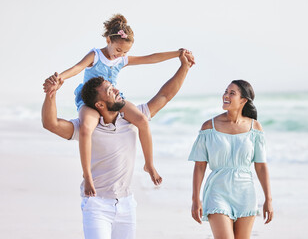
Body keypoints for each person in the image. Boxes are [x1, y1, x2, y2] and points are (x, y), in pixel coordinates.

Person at [42, 50, 193, 239]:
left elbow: (164, 96)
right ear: (100, 105)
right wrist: (51, 95)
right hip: (96, 205)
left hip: (126, 203)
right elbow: (51, 124)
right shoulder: (86, 127)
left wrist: (184, 67)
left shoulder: (132, 119)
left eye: (111, 86)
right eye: (109, 90)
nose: (115, 89)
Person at [44, 14, 195, 196]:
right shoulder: (96, 55)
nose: (120, 55)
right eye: (118, 50)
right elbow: (77, 68)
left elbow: (151, 58)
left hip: (113, 97)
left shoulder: (122, 59)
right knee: (85, 129)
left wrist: (178, 53)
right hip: (89, 100)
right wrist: (59, 78)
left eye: (124, 52)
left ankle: (149, 164)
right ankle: (87, 176)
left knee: (141, 119)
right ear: (108, 40)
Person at [189, 80, 273, 239]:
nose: (225, 96)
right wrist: (195, 199)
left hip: (245, 193)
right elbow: (199, 166)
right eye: (225, 92)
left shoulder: (255, 128)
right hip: (217, 192)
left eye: (232, 93)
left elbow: (261, 167)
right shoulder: (209, 127)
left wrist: (268, 199)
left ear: (243, 100)